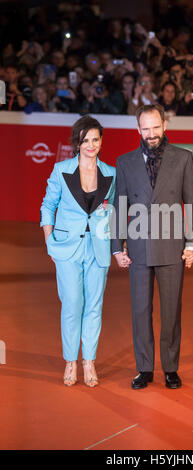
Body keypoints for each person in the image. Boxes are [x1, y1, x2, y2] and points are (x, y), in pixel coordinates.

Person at [112, 104, 193, 390]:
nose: (151, 133)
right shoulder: (125, 162)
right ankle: (144, 368)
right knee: (140, 310)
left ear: (165, 125)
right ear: (138, 129)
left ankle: (171, 368)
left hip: (172, 246)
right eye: (145, 128)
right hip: (138, 247)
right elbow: (120, 206)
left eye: (155, 127)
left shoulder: (183, 158)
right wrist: (117, 247)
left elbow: (192, 202)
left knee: (171, 311)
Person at [40, 115, 116, 388]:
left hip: (98, 247)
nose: (90, 145)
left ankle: (89, 361)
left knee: (94, 306)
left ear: (101, 141)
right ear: (77, 143)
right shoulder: (61, 169)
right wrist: (50, 240)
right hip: (67, 247)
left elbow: (116, 209)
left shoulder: (110, 172)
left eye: (95, 139)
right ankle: (71, 360)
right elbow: (48, 206)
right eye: (85, 140)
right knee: (72, 304)